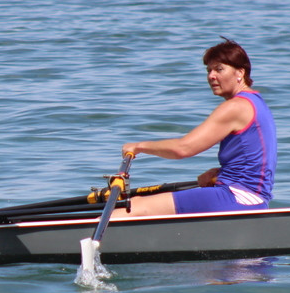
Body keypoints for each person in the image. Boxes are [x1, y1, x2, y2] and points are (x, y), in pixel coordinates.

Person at [115, 38, 276, 217]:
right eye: (209, 70)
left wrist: (138, 147)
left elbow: (183, 149)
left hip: (236, 198)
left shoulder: (236, 107)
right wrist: (220, 174)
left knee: (136, 206)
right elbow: (255, 160)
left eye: (219, 69)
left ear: (240, 72)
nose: (211, 76)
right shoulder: (257, 103)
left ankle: (88, 239)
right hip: (252, 198)